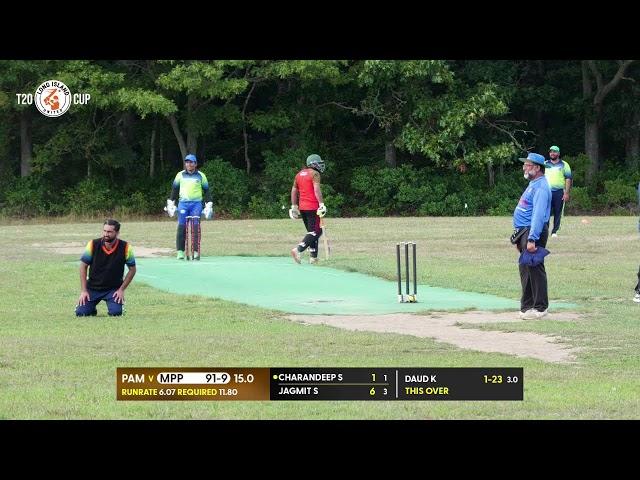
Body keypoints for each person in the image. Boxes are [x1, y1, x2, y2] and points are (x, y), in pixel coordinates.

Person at [513, 152, 552, 319]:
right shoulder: (534, 183)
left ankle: (540, 307)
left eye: (528, 165)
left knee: (535, 268)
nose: (524, 167)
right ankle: (527, 306)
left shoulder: (541, 187)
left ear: (537, 168)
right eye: (525, 164)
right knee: (526, 268)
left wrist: (531, 239)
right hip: (525, 231)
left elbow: (537, 214)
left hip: (532, 231)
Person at [76, 219, 136, 317]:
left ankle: (118, 307)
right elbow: (83, 266)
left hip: (113, 289)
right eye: (104, 231)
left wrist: (121, 290)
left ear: (117, 233)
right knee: (81, 313)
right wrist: (84, 290)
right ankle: (91, 309)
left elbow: (132, 270)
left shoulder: (126, 247)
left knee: (116, 313)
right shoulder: (92, 244)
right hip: (93, 288)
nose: (106, 234)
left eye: (109, 232)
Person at [165, 154, 213, 260]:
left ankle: (196, 251)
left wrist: (209, 204)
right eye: (187, 162)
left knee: (195, 227)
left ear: (195, 164)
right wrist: (171, 203)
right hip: (183, 204)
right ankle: (180, 252)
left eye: (191, 162)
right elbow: (174, 189)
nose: (189, 164)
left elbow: (206, 191)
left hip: (196, 204)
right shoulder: (180, 175)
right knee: (182, 226)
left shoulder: (201, 175)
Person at [289, 153, 327, 264]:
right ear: (313, 164)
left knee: (311, 232)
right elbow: (316, 190)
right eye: (318, 163)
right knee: (317, 231)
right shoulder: (315, 174)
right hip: (313, 206)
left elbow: (294, 191)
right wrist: (321, 204)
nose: (320, 166)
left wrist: (294, 206)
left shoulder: (299, 174)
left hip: (303, 207)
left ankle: (313, 257)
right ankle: (298, 250)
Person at [544, 145, 572, 238]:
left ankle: (554, 231)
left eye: (555, 151)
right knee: (545, 212)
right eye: (551, 151)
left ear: (558, 153)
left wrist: (567, 193)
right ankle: (545, 230)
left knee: (558, 212)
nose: (552, 153)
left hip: (559, 192)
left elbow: (568, 179)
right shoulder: (544, 163)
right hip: (546, 192)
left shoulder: (564, 164)